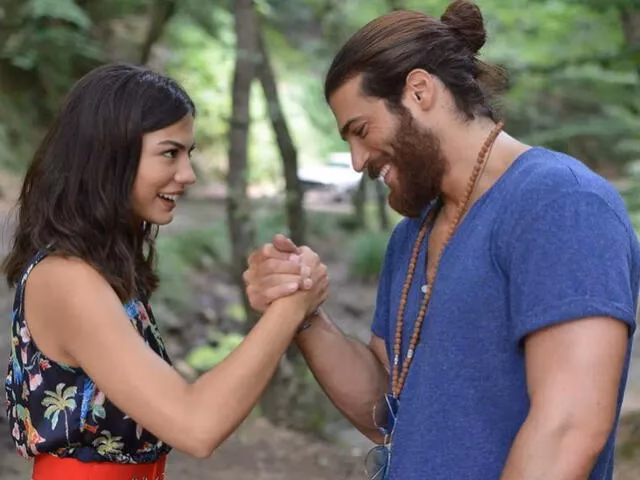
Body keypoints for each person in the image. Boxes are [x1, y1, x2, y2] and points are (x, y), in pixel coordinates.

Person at [242, 1, 640, 479]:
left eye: (361, 130)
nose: (357, 160)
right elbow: (388, 408)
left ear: (419, 91)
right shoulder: (412, 235)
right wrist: (304, 313)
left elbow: (568, 428)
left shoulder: (561, 203)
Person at [3, 63, 327, 480]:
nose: (188, 175)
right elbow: (196, 425)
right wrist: (291, 306)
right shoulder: (67, 278)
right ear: (109, 154)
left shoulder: (97, 269)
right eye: (170, 153)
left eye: (189, 154)